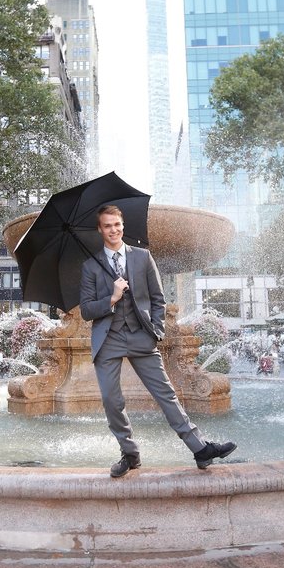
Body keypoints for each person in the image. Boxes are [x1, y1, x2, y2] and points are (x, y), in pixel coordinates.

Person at [80, 205, 237, 478]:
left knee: (166, 395)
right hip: (109, 340)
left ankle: (200, 449)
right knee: (111, 400)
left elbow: (157, 298)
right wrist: (112, 299)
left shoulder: (142, 257)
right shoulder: (90, 266)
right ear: (100, 230)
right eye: (107, 226)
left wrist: (157, 331)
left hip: (141, 335)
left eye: (117, 224)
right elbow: (86, 310)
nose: (113, 230)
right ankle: (129, 454)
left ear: (122, 225)